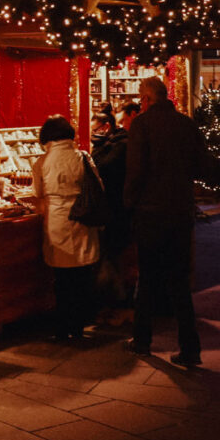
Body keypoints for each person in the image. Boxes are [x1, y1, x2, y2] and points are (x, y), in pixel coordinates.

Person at [123, 77, 205, 367]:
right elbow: (200, 165)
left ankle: (142, 340)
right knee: (179, 281)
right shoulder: (186, 124)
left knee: (147, 278)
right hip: (180, 211)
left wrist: (129, 203)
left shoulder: (142, 125)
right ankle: (190, 348)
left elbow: (135, 171)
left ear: (146, 99)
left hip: (151, 212)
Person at [31, 115, 101, 341]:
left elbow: (37, 194)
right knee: (81, 277)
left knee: (61, 279)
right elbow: (98, 186)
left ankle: (61, 328)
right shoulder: (83, 157)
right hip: (81, 218)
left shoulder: (42, 162)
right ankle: (78, 326)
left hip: (57, 220)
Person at [93, 109, 135, 324]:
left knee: (116, 260)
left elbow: (103, 168)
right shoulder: (119, 145)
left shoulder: (120, 146)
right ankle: (116, 305)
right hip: (119, 211)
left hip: (117, 212)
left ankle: (121, 307)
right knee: (115, 260)